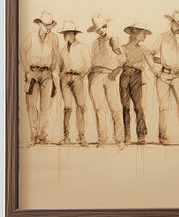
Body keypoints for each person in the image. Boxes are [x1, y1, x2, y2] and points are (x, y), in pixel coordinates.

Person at [150, 11, 179, 145]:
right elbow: (149, 53)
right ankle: (162, 137)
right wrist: (156, 69)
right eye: (177, 24)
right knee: (163, 107)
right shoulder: (162, 37)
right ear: (171, 23)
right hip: (164, 76)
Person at [19, 11, 60, 146]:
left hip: (47, 74)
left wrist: (52, 70)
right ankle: (33, 135)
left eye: (50, 25)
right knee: (31, 106)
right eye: (46, 25)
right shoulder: (31, 36)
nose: (49, 28)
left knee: (45, 107)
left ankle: (43, 135)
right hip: (33, 73)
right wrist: (27, 71)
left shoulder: (54, 38)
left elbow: (56, 55)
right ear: (40, 24)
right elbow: (22, 51)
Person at [87, 14, 126, 149]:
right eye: (97, 29)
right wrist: (90, 75)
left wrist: (115, 72)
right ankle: (102, 139)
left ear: (106, 26)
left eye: (102, 27)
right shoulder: (94, 43)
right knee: (99, 108)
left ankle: (119, 139)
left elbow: (122, 58)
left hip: (109, 75)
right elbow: (92, 61)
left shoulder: (113, 39)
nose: (100, 30)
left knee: (115, 108)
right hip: (96, 75)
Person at [120, 23, 159, 145]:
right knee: (125, 107)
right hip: (125, 77)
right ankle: (127, 135)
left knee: (138, 107)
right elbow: (121, 62)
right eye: (143, 34)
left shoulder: (143, 49)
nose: (145, 36)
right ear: (135, 34)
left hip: (136, 78)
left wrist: (156, 71)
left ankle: (141, 135)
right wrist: (136, 65)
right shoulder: (123, 48)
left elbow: (151, 64)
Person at [58, 20, 90, 146]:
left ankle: (81, 137)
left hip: (77, 78)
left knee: (80, 106)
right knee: (67, 107)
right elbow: (60, 66)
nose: (64, 35)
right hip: (65, 79)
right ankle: (66, 137)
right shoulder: (63, 50)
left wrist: (82, 74)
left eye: (66, 33)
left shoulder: (82, 47)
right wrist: (61, 75)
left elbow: (89, 64)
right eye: (64, 33)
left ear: (72, 34)